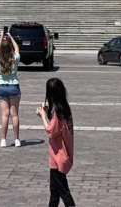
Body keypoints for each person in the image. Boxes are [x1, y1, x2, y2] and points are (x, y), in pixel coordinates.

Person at [35, 77, 76, 207]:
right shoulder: (64, 109)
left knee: (63, 191)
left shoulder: (58, 113)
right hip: (58, 157)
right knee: (55, 192)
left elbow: (51, 131)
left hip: (59, 158)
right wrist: (48, 112)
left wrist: (42, 115)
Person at [0, 30, 22, 148]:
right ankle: (17, 139)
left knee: (4, 115)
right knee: (14, 114)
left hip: (1, 87)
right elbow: (17, 49)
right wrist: (11, 37)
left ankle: (3, 140)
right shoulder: (14, 58)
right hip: (13, 86)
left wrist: (1, 37)